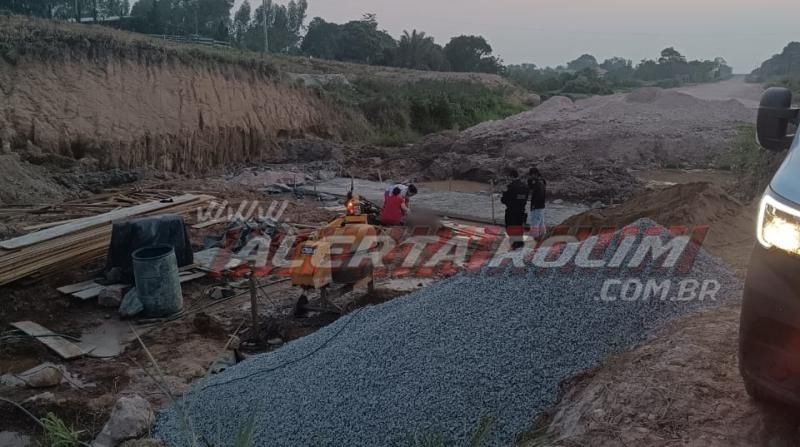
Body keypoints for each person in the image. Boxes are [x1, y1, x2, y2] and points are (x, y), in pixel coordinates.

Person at [500, 169, 529, 249]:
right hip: (521, 211)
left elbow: (504, 200)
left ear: (511, 176)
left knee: (511, 227)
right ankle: (520, 243)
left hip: (512, 211)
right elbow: (525, 198)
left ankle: (514, 244)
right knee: (519, 227)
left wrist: (504, 194)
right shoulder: (524, 186)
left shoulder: (511, 187)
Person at [527, 167, 547, 241]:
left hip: (537, 206)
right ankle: (542, 236)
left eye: (531, 175)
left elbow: (539, 195)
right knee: (541, 222)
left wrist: (534, 205)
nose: (531, 177)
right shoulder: (541, 181)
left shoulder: (538, 183)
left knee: (535, 222)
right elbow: (531, 188)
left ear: (534, 174)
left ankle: (535, 238)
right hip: (541, 206)